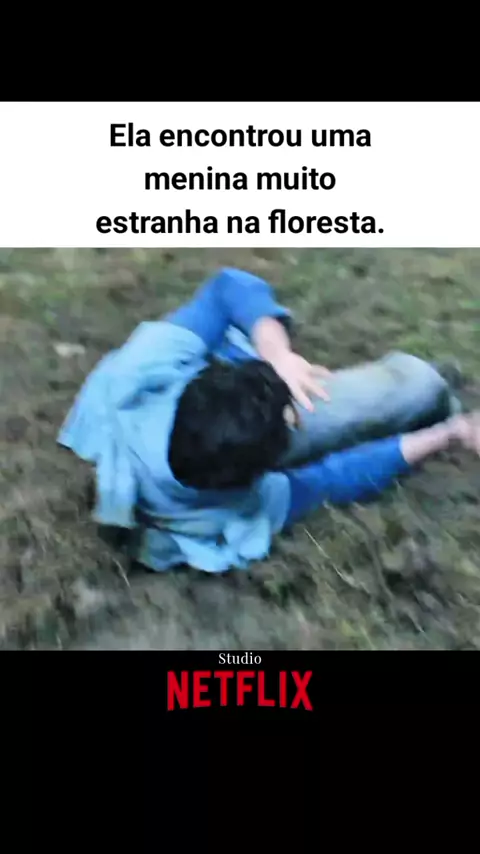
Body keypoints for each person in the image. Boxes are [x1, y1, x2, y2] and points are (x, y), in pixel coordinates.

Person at [57, 267, 480, 574]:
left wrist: (278, 355)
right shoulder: (235, 508)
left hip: (212, 376)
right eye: (289, 419)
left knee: (245, 326)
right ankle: (427, 387)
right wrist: (449, 432)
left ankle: (261, 353)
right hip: (239, 401)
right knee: (420, 386)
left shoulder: (134, 376)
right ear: (266, 468)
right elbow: (335, 478)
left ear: (198, 385)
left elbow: (228, 285)